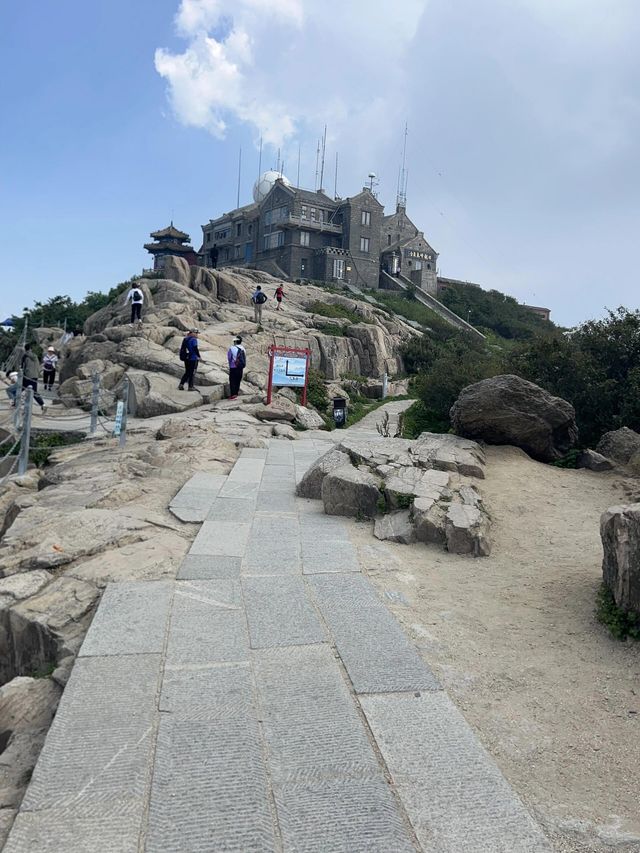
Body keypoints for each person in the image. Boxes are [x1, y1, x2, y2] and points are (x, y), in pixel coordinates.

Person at [20, 344, 46, 413]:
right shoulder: (35, 356)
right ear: (31, 349)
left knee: (20, 388)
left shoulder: (25, 356)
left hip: (27, 376)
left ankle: (16, 403)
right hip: (35, 376)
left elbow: (23, 367)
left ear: (25, 349)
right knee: (34, 392)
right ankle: (43, 404)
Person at [227, 335, 246, 400]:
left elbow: (229, 357)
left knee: (232, 381)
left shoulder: (232, 348)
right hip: (240, 367)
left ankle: (233, 395)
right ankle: (236, 394)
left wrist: (230, 364)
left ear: (235, 341)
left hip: (233, 366)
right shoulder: (243, 348)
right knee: (238, 380)